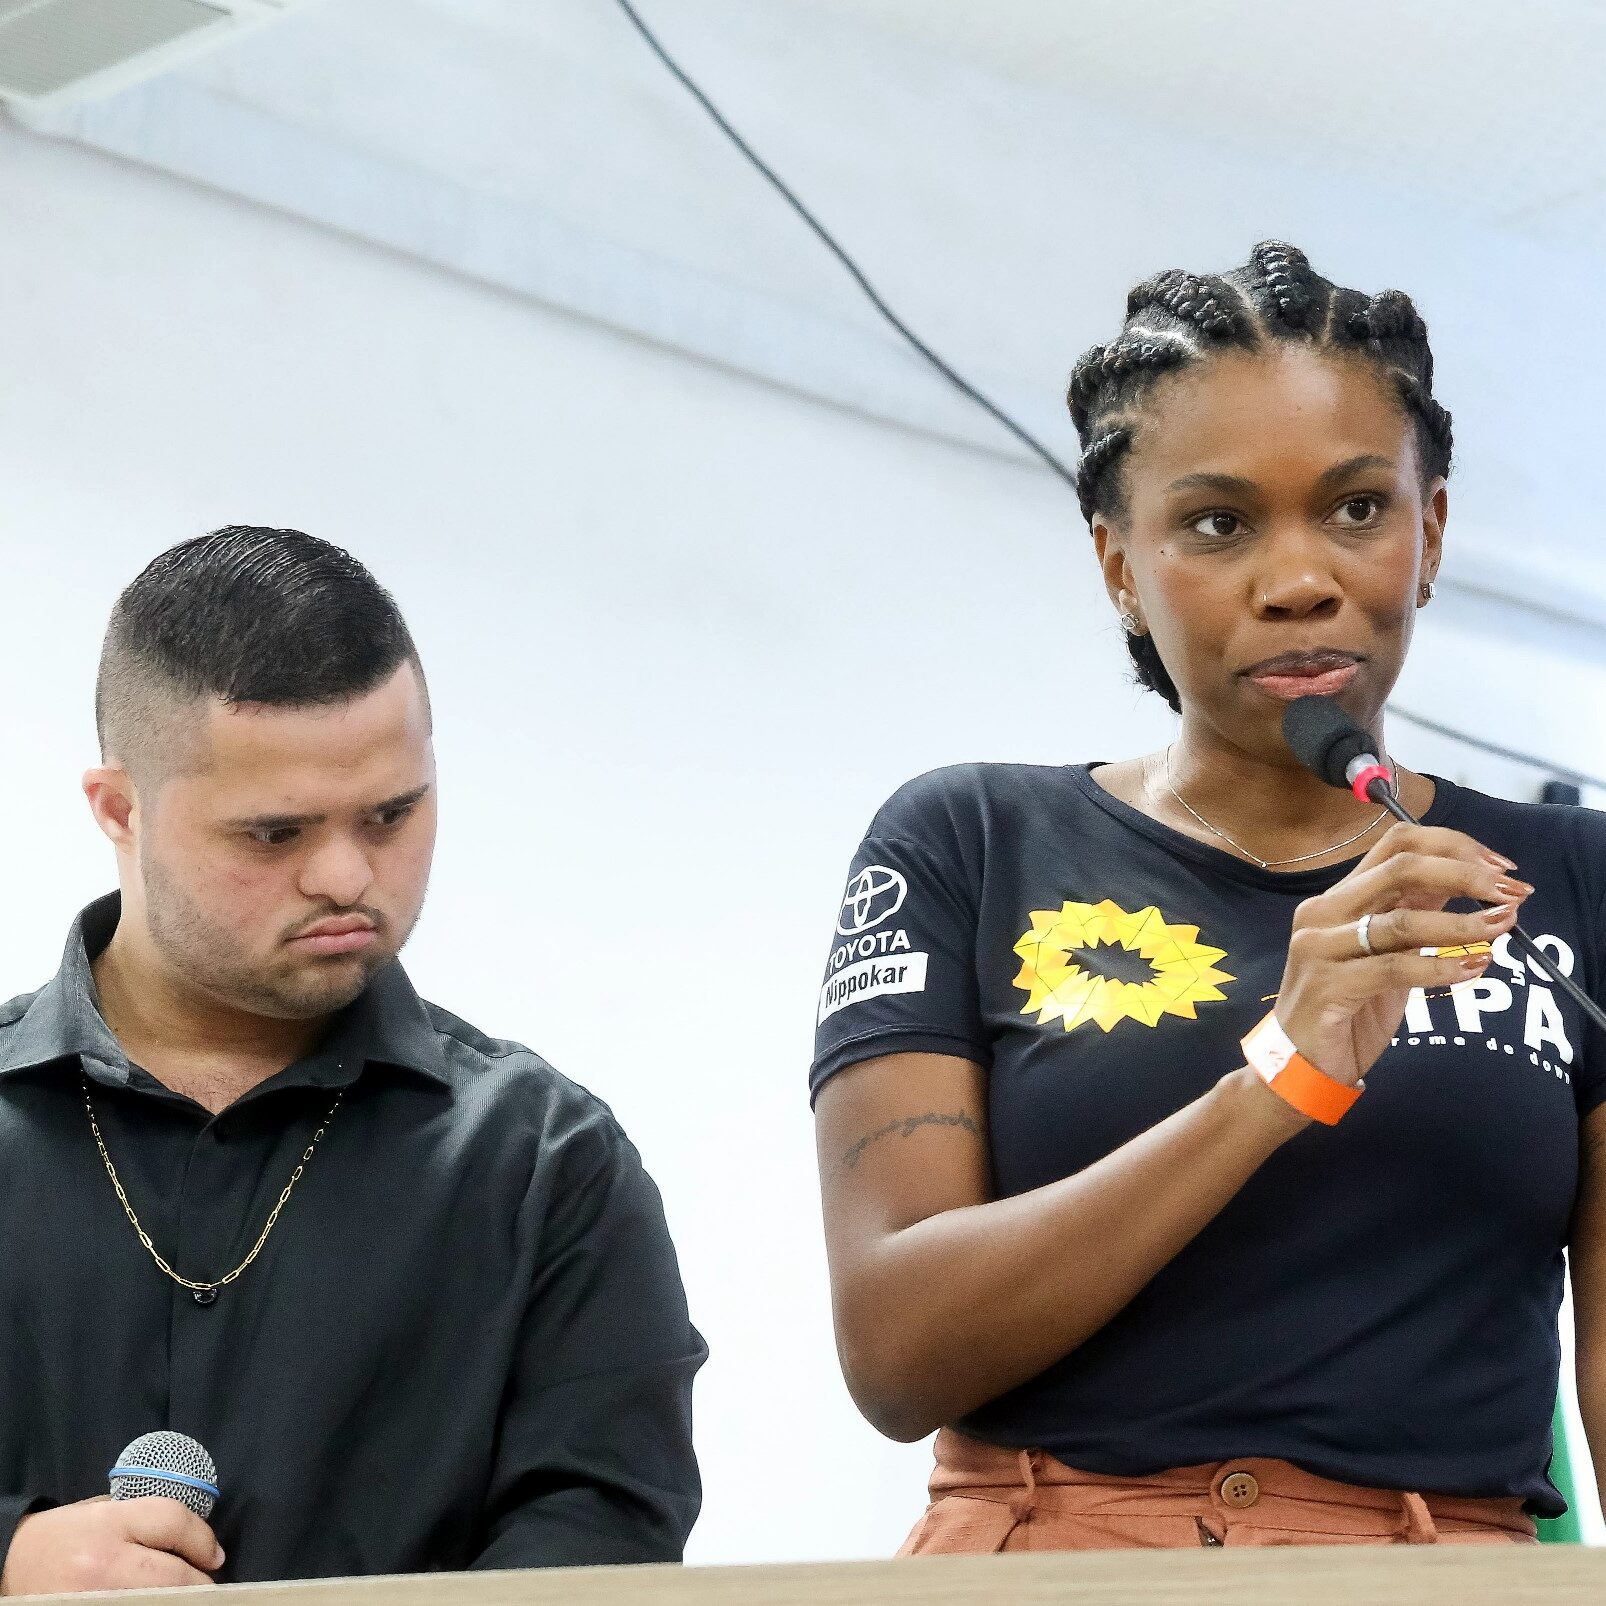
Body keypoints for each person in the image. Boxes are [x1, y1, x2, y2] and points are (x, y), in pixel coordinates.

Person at [811, 242, 1606, 1551]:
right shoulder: (966, 840)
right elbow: (896, 1353)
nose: (1299, 577)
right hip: (1044, 1570)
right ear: (1118, 560)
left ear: (1431, 533)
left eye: (1357, 507)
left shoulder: (1569, 881)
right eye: (1218, 522)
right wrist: (1274, 1081)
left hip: (1439, 1575)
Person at [0, 528, 705, 1593]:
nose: (345, 875)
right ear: (119, 808)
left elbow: (604, 1535)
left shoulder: (546, 1167)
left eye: (391, 814)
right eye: (274, 833)